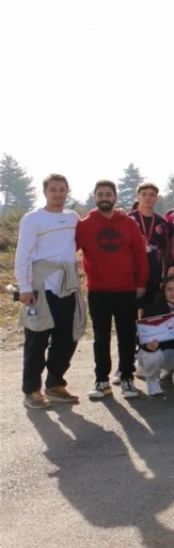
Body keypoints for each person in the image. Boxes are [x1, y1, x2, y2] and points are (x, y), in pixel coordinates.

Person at [16, 173, 85, 408]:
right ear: (45, 192)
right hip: (41, 286)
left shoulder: (73, 217)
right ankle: (31, 390)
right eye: (53, 189)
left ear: (68, 191)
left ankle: (55, 384)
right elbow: (23, 255)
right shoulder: (33, 218)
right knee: (37, 339)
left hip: (67, 285)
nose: (58, 194)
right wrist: (25, 287)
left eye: (62, 189)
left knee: (67, 337)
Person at [76, 179, 148, 400]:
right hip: (98, 290)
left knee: (126, 335)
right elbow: (68, 251)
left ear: (115, 197)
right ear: (94, 197)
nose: (104, 198)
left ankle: (127, 377)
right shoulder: (85, 225)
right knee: (101, 337)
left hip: (126, 289)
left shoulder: (128, 224)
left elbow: (140, 255)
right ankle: (102, 381)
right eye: (100, 194)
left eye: (108, 194)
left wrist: (141, 283)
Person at [129, 181, 171, 305]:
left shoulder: (162, 222)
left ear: (157, 198)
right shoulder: (129, 220)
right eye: (144, 194)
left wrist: (165, 274)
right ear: (138, 197)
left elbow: (165, 250)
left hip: (154, 272)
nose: (148, 198)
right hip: (132, 271)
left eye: (152, 195)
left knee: (151, 310)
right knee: (131, 309)